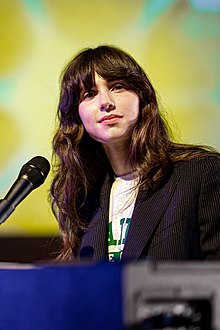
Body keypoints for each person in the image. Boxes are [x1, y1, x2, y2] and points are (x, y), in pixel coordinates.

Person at [50, 45, 220, 263]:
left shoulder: (201, 172)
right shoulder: (85, 199)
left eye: (117, 86)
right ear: (76, 115)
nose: (105, 102)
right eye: (89, 94)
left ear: (142, 96)